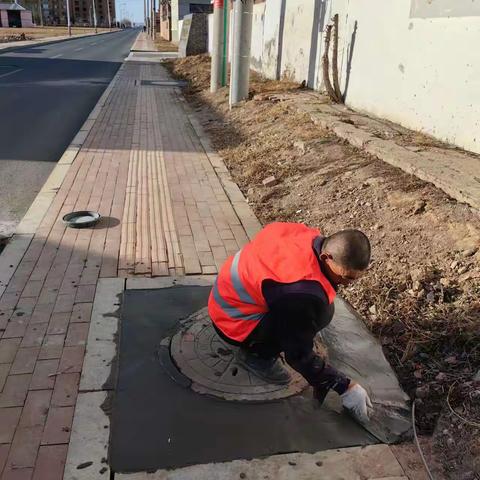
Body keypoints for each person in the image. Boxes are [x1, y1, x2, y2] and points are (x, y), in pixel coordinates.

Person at [208, 222, 373, 423]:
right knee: (314, 312)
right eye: (345, 277)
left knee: (320, 308)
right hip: (232, 321)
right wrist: (343, 386)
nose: (348, 284)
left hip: (227, 295)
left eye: (354, 279)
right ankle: (257, 356)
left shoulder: (306, 236)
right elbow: (297, 355)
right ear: (326, 257)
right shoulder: (299, 292)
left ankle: (281, 328)